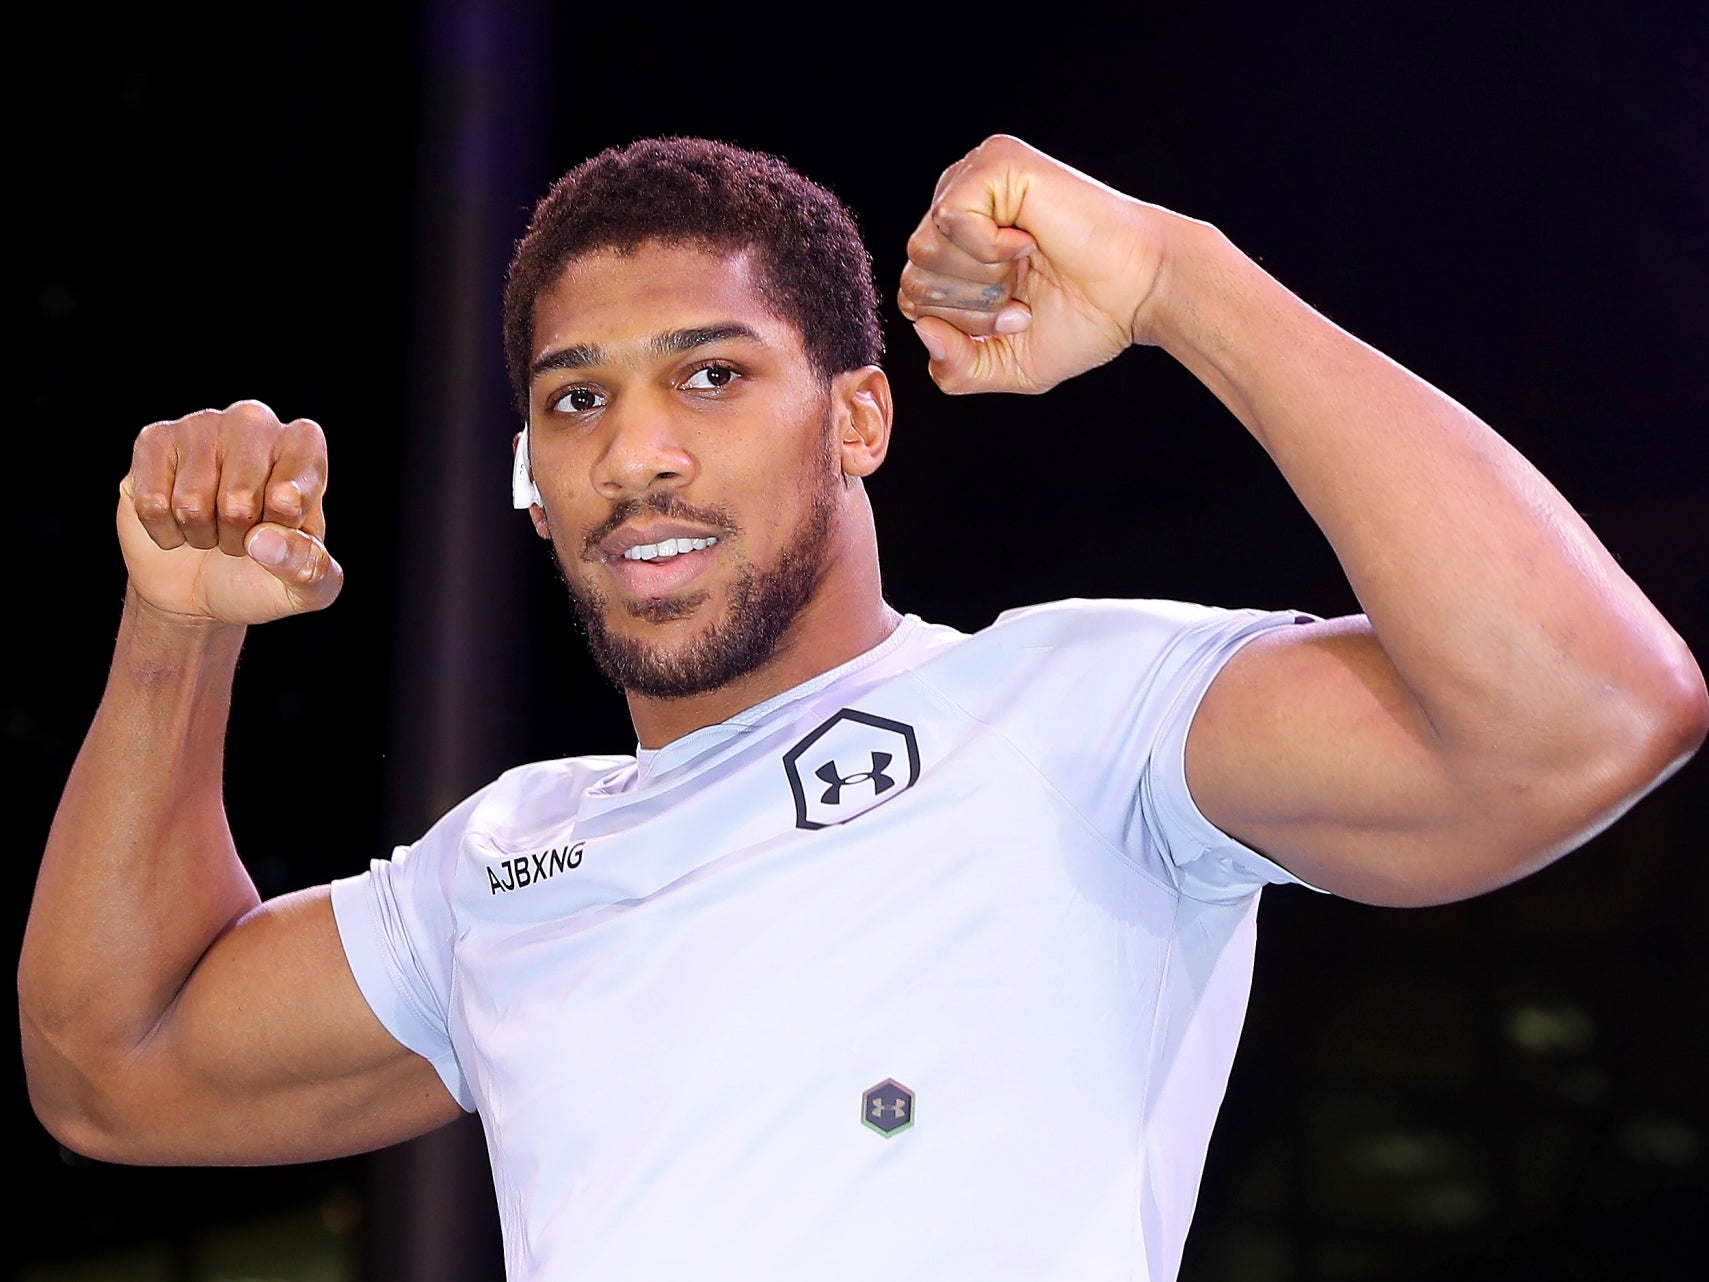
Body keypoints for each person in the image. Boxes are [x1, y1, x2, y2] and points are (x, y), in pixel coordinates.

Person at [19, 132, 1706, 1281]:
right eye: (577, 399)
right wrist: (176, 629)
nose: (638, 449)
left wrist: (1179, 281)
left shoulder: (1074, 713)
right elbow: (112, 1068)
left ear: (858, 421)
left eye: (711, 374)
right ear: (532, 473)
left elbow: (1582, 712)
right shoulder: (507, 862)